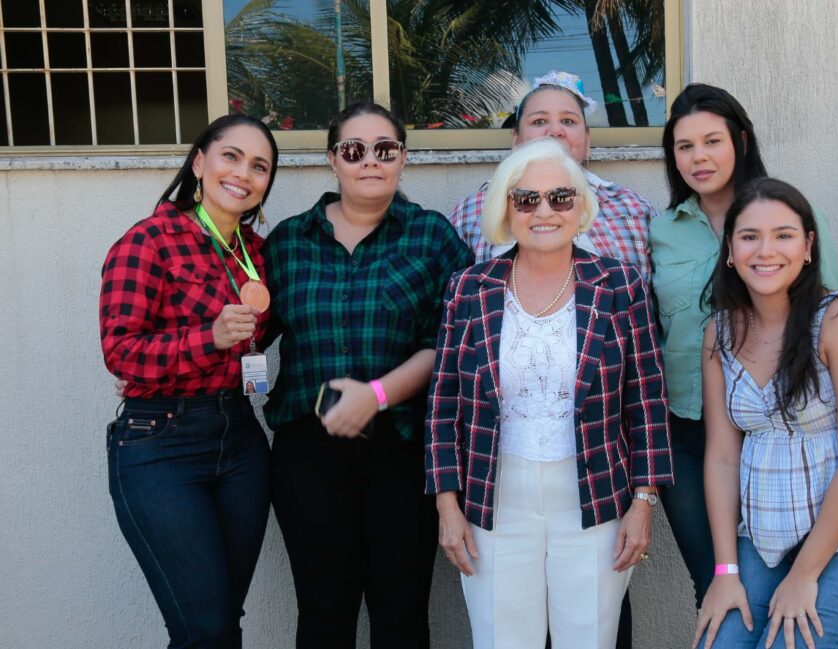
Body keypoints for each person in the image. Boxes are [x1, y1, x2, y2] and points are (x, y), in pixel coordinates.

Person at [426, 138, 673, 648]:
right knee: (502, 640)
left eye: (560, 197)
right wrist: (448, 507)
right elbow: (443, 404)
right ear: (505, 208)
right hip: (493, 499)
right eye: (526, 199)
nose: (544, 211)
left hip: (596, 496)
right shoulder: (468, 288)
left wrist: (644, 501)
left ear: (580, 207)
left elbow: (645, 401)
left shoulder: (619, 285)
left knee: (588, 639)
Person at [261, 101, 473, 648]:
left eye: (386, 149)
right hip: (308, 451)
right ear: (333, 159)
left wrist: (377, 394)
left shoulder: (431, 237)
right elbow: (252, 330)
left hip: (401, 448)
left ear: (404, 159)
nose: (370, 161)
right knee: (324, 611)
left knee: (400, 612)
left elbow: (451, 341)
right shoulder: (287, 242)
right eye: (355, 151)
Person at [694, 178, 838, 649]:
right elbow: (721, 458)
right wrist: (725, 571)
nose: (765, 250)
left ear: (809, 246)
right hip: (768, 540)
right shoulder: (719, 334)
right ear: (730, 250)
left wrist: (805, 575)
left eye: (784, 235)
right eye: (749, 236)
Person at [651, 83, 838, 610]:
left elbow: (827, 322)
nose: (699, 157)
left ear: (740, 139)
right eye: (684, 146)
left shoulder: (790, 220)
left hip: (777, 432)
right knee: (715, 581)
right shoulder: (662, 231)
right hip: (689, 433)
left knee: (788, 586)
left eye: (711, 141)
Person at [100, 113, 279, 647]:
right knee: (203, 629)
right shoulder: (148, 241)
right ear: (199, 162)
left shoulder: (258, 253)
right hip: (160, 442)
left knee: (224, 620)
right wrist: (209, 339)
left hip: (241, 439)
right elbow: (120, 351)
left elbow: (256, 334)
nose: (243, 173)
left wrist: (233, 342)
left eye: (260, 166)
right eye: (231, 156)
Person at [448, 70, 656, 279]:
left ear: (587, 140)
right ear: (516, 140)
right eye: (539, 121)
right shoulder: (471, 212)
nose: (555, 131)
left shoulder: (633, 208)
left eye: (568, 121)